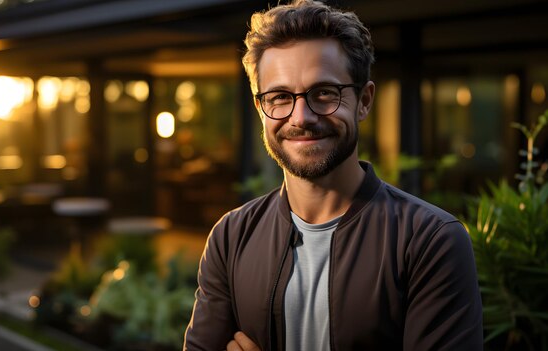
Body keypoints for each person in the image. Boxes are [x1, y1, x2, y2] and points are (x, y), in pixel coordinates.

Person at [184, 0, 483, 350]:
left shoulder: (429, 241)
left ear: (364, 101)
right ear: (260, 108)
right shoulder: (231, 237)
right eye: (280, 96)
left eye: (323, 93)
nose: (300, 117)